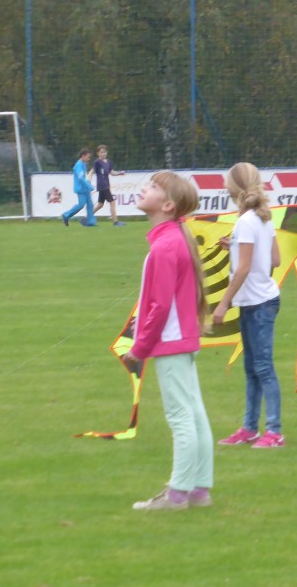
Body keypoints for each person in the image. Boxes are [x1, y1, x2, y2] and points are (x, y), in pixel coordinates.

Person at [121, 171, 214, 511]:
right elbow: (162, 301)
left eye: (153, 187)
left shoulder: (165, 245)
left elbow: (160, 306)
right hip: (181, 338)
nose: (144, 188)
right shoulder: (173, 239)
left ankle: (177, 495)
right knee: (194, 414)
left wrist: (139, 349)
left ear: (168, 205)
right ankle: (199, 491)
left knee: (180, 417)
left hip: (171, 341)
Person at [213, 162, 285, 449]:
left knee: (263, 368)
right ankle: (249, 428)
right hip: (261, 301)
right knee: (253, 368)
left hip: (257, 304)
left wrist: (223, 303)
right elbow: (275, 259)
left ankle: (274, 432)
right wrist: (234, 246)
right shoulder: (262, 217)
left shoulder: (245, 221)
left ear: (233, 188)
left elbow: (243, 269)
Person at [60, 148, 96, 227]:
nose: (89, 159)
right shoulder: (78, 165)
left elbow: (85, 176)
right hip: (81, 189)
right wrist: (89, 186)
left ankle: (90, 222)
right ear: (83, 156)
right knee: (81, 204)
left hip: (85, 188)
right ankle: (66, 215)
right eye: (88, 157)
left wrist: (88, 184)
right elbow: (81, 178)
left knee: (90, 205)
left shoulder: (83, 164)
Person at [92, 144, 126, 226]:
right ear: (98, 153)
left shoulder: (108, 162)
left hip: (106, 185)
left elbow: (111, 172)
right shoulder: (97, 162)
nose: (103, 154)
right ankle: (115, 222)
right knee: (112, 202)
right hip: (102, 185)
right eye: (101, 152)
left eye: (105, 152)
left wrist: (119, 173)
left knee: (100, 204)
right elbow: (92, 171)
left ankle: (87, 217)